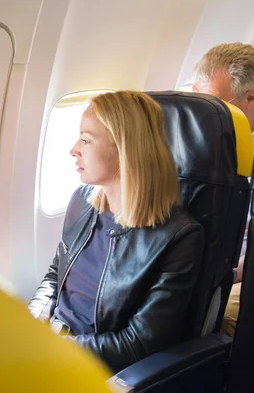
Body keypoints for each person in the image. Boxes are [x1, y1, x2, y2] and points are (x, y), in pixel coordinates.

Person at [28, 91, 204, 372]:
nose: (74, 148)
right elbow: (56, 273)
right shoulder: (82, 201)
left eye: (86, 139)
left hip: (92, 366)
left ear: (124, 148)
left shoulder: (178, 237)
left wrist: (55, 347)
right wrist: (33, 317)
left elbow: (138, 343)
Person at [191, 42, 254, 336]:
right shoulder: (197, 135)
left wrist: (237, 265)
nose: (204, 117)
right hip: (213, 255)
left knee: (222, 316)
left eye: (216, 106)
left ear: (251, 97)